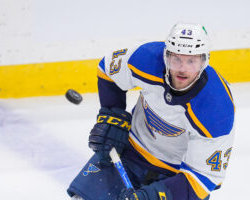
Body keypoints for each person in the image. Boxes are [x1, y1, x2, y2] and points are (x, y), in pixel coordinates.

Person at [67, 22, 235, 200]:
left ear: (204, 61)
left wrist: (152, 196)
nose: (183, 69)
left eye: (191, 61)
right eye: (176, 59)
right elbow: (108, 69)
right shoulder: (147, 58)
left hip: (176, 178)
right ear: (166, 56)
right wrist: (112, 116)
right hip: (129, 151)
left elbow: (203, 180)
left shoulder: (217, 110)